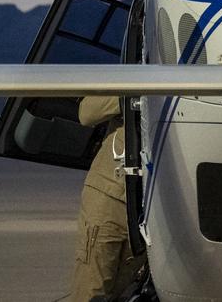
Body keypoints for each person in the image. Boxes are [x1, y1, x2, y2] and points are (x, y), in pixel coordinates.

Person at [67, 95, 143, 302]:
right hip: (109, 195)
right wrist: (130, 97)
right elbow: (87, 112)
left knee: (125, 290)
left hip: (148, 207)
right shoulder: (130, 79)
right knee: (92, 291)